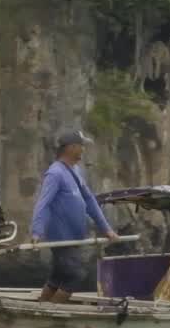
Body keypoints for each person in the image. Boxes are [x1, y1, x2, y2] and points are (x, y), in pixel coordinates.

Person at [29, 129, 119, 303]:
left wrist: (106, 229)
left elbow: (90, 200)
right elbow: (43, 203)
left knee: (58, 277)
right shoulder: (55, 173)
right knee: (75, 276)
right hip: (61, 237)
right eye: (81, 145)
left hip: (74, 236)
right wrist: (37, 231)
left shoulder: (76, 171)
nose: (84, 149)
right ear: (71, 148)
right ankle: (52, 312)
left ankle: (42, 306)